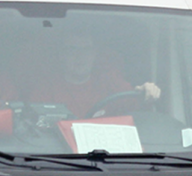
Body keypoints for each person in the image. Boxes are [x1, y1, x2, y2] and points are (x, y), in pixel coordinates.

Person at [28, 30, 160, 119]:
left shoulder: (110, 82)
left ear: (94, 55)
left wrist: (147, 92)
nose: (79, 56)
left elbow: (138, 107)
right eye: (72, 49)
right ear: (61, 55)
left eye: (86, 49)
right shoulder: (45, 89)